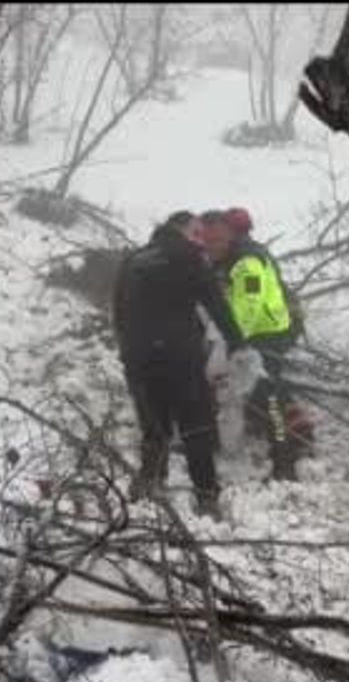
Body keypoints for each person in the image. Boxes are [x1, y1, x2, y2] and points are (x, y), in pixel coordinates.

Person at [113, 210, 253, 519]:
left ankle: (147, 494)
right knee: (196, 428)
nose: (201, 240)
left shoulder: (134, 260)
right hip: (180, 356)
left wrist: (129, 353)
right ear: (183, 229)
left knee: (155, 429)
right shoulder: (190, 256)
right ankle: (206, 498)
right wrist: (239, 343)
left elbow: (119, 313)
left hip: (139, 359)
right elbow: (216, 303)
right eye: (197, 232)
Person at [199, 207, 306, 481]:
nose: (209, 248)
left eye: (215, 242)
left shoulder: (247, 263)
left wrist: (232, 339)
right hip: (255, 333)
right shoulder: (231, 259)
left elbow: (250, 305)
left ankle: (285, 461)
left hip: (267, 333)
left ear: (229, 236)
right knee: (264, 393)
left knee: (269, 396)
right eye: (206, 242)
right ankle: (290, 440)